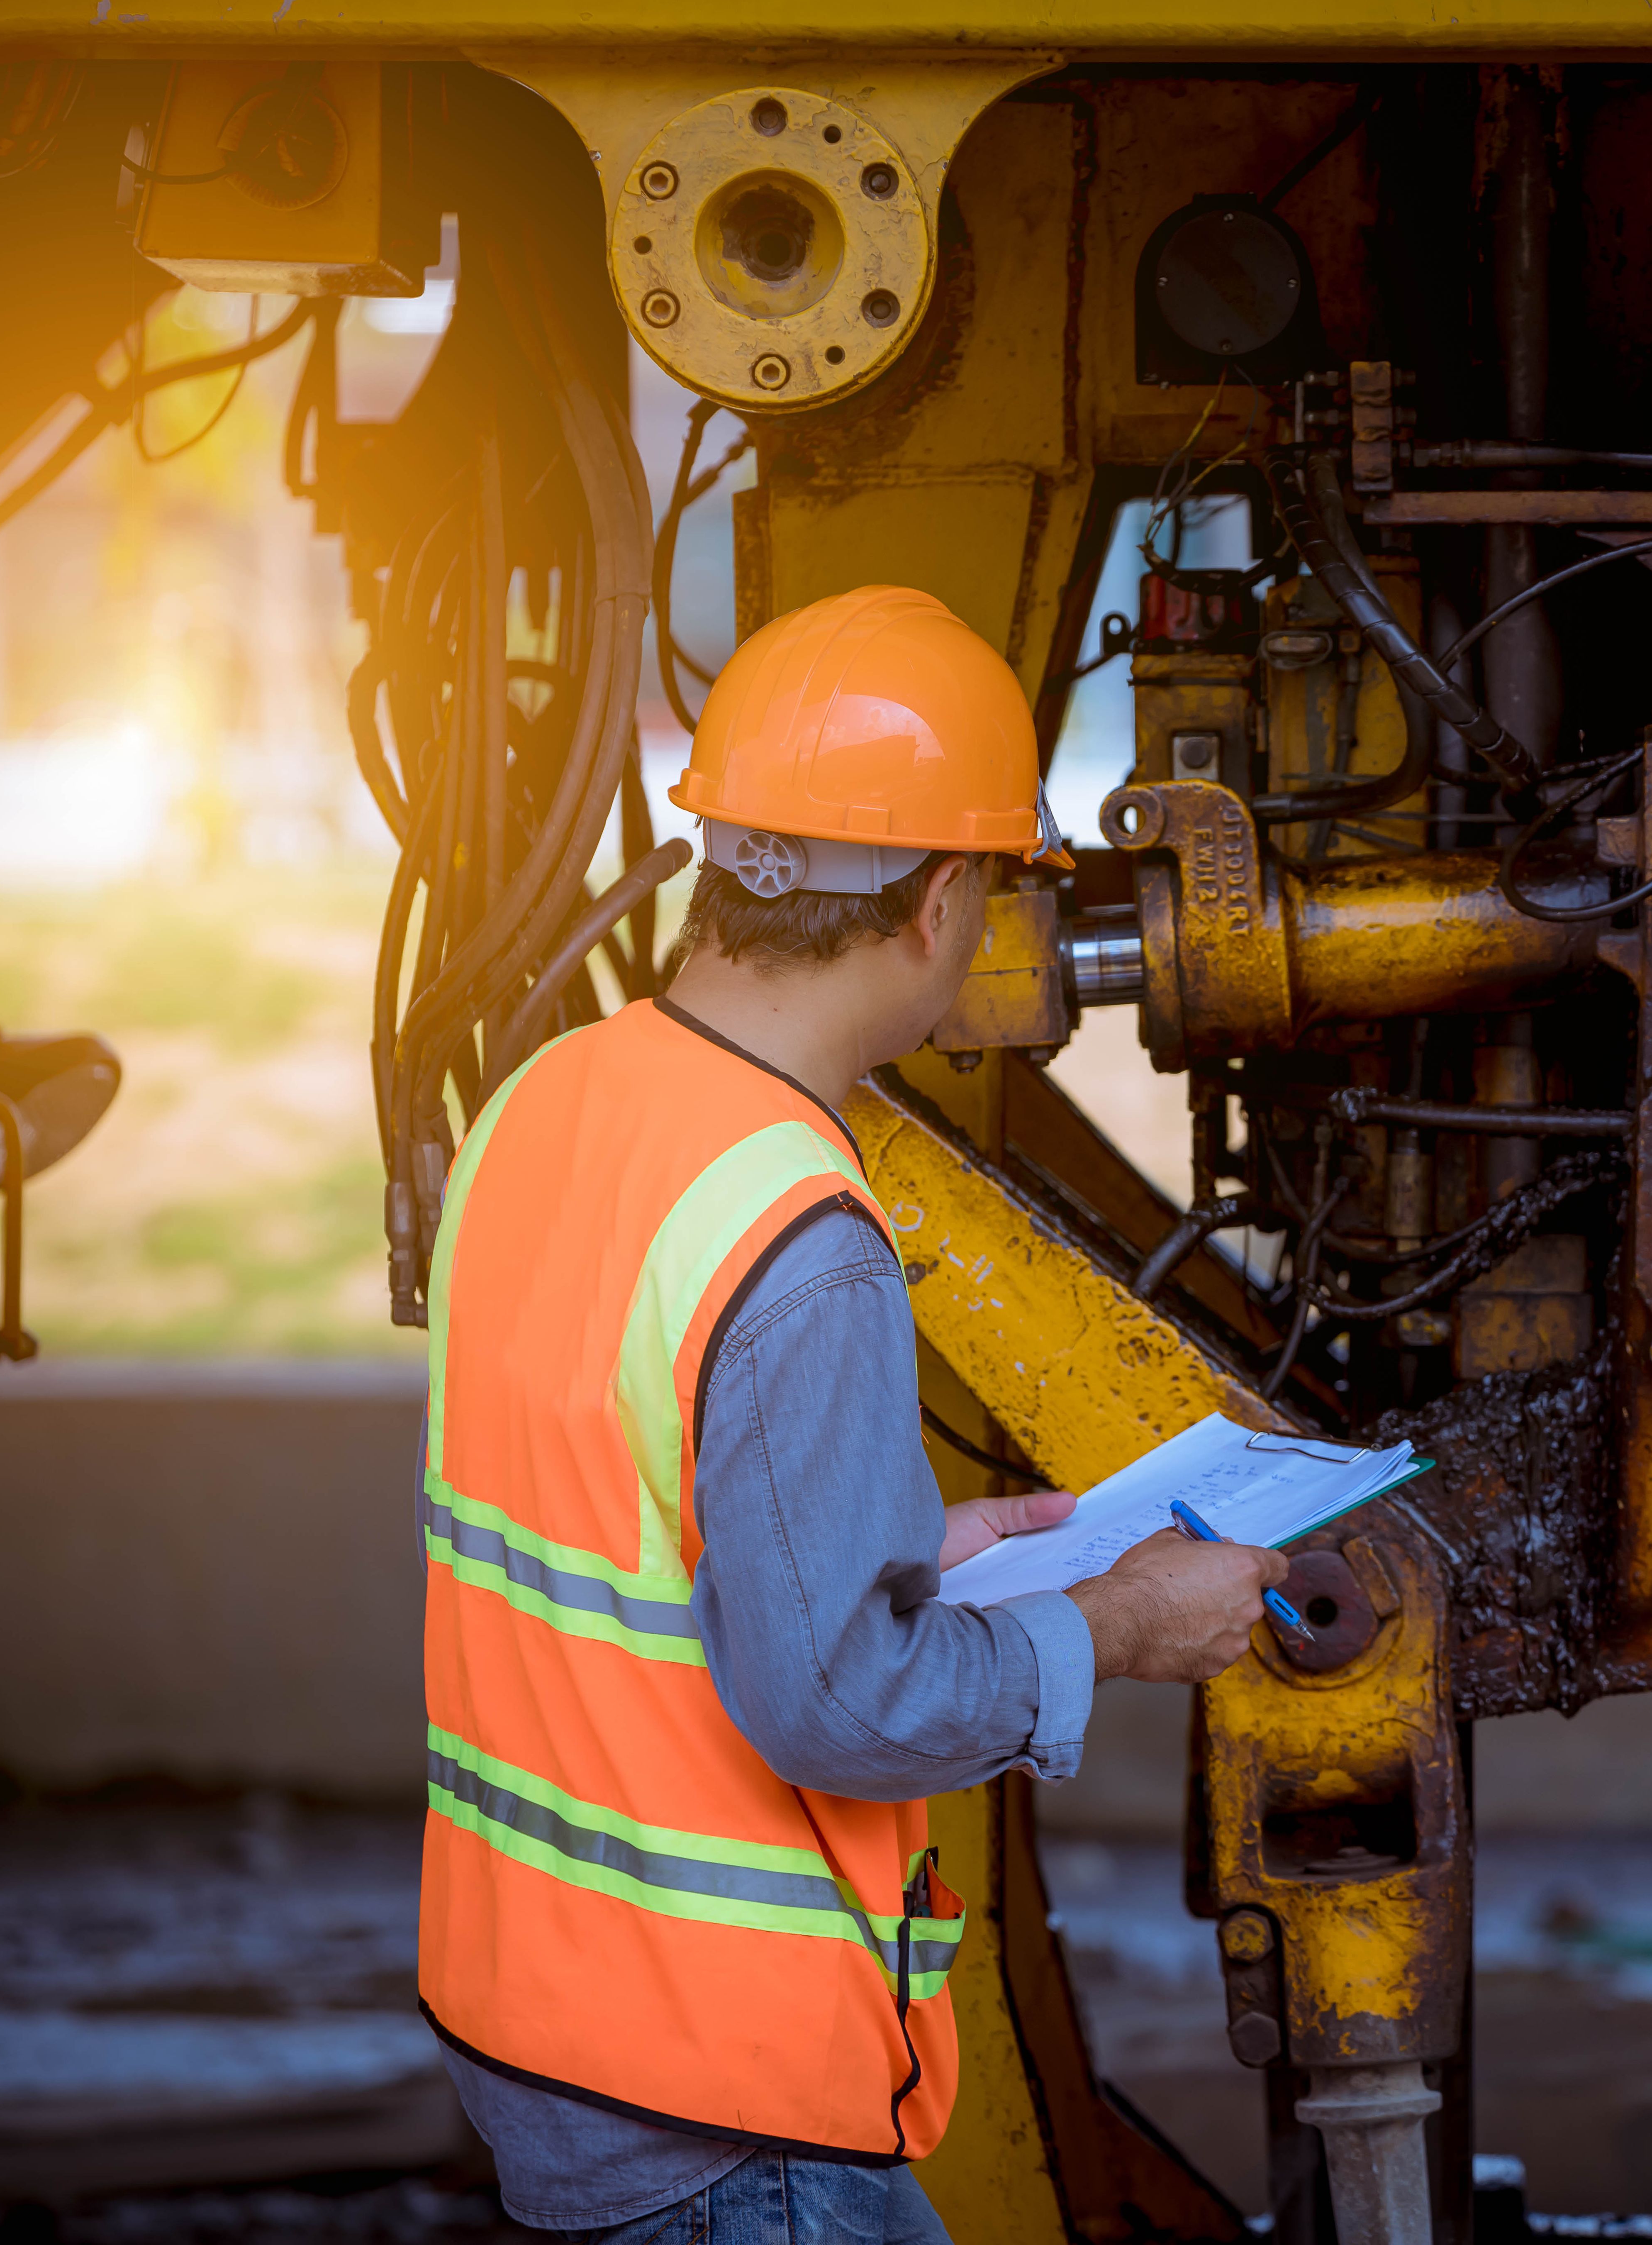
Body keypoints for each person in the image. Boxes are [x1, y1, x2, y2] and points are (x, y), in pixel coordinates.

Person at [412, 584, 1287, 2239]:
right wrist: (1115, 1624)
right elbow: (837, 1703)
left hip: (540, 2013)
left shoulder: (550, 1101)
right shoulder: (800, 1235)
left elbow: (622, 1495)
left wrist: (897, 1542)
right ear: (940, 899)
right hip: (721, 2095)